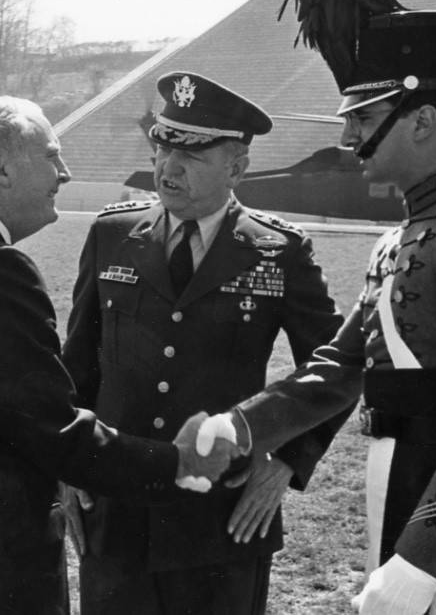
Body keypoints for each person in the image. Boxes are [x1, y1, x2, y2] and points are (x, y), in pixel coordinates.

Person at [183, 0, 436, 615]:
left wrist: (430, 556)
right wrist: (241, 426)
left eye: (365, 116)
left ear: (422, 120)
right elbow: (339, 367)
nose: (349, 136)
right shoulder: (402, 235)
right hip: (403, 487)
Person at [0, 96, 238, 615]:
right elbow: (54, 432)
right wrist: (181, 462)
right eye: (52, 155)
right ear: (0, 167)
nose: (64, 173)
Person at [61, 71, 346, 615]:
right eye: (162, 148)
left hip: (222, 516)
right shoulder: (110, 235)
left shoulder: (277, 251)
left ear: (236, 167)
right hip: (118, 509)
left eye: (191, 156)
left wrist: (289, 457)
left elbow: (334, 366)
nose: (168, 168)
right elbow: (77, 366)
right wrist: (69, 466)